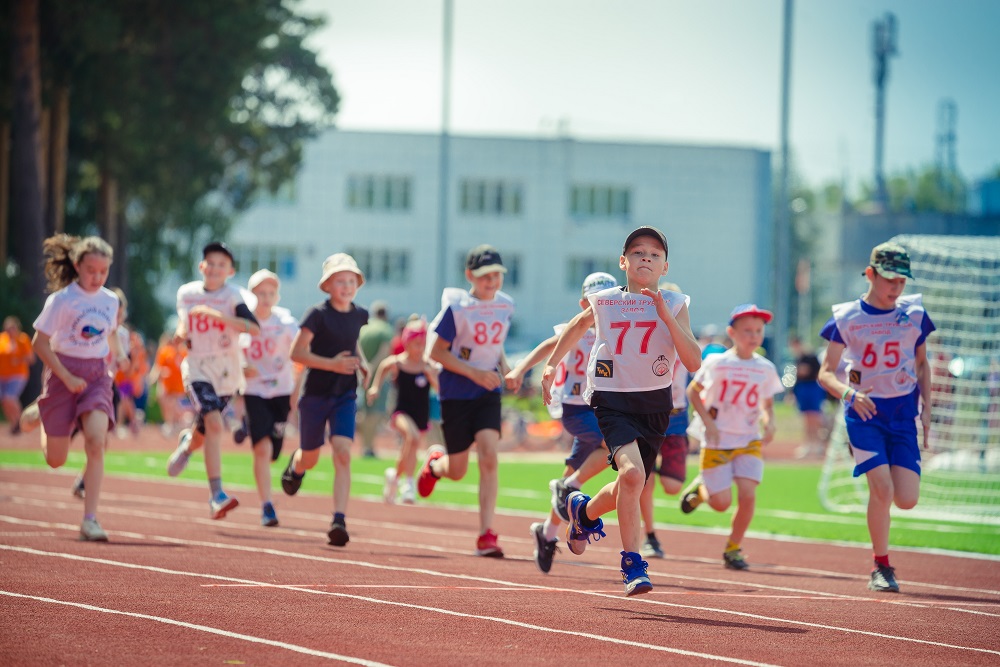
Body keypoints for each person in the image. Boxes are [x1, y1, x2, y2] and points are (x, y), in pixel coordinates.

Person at [540, 226, 701, 596]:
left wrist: (666, 315)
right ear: (623, 261)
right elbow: (577, 326)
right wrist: (551, 366)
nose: (646, 257)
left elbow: (691, 361)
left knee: (632, 482)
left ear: (665, 266)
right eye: (638, 252)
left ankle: (583, 513)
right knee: (632, 475)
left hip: (655, 403)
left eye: (654, 254)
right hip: (611, 398)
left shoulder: (676, 304)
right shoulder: (606, 300)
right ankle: (632, 563)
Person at [817, 242, 935, 593]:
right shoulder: (846, 318)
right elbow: (826, 373)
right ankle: (881, 566)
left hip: (902, 413)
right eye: (889, 281)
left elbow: (923, 363)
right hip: (864, 413)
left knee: (907, 498)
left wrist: (928, 405)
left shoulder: (914, 313)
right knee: (881, 489)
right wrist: (850, 393)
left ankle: (882, 562)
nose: (895, 289)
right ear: (870, 274)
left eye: (901, 282)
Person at [506, 271, 621, 573]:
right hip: (574, 408)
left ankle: (546, 533)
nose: (601, 306)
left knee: (571, 482)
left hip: (601, 409)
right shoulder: (579, 329)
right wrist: (520, 369)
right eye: (595, 301)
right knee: (611, 447)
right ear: (584, 302)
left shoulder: (619, 328)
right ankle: (569, 485)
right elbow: (549, 346)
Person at [20, 234, 127, 541]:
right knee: (56, 460)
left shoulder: (109, 301)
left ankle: (90, 519)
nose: (97, 277)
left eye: (103, 272)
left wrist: (119, 355)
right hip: (62, 373)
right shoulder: (62, 300)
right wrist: (66, 377)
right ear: (78, 265)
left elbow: (112, 333)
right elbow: (39, 343)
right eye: (91, 270)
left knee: (96, 441)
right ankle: (41, 412)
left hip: (96, 376)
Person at [417, 244, 516, 557]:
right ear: (470, 275)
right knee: (457, 470)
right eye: (485, 275)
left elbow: (494, 343)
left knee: (489, 456)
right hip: (457, 392)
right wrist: (473, 373)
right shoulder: (457, 308)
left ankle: (487, 533)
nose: (492, 281)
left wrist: (506, 367)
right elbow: (435, 352)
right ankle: (436, 465)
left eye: (497, 275)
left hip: (488, 391)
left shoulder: (505, 305)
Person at [679, 303, 784, 571]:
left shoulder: (766, 367)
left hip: (749, 440)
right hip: (717, 441)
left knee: (748, 495)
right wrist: (708, 423)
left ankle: (733, 548)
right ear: (732, 333)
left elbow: (767, 404)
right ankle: (703, 490)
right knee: (721, 504)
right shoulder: (718, 362)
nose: (754, 336)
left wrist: (769, 422)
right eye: (747, 330)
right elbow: (693, 392)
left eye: (758, 331)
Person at [165, 242, 260, 520]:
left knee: (207, 429)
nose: (216, 268)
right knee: (216, 422)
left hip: (227, 372)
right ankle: (216, 495)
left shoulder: (234, 296)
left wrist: (215, 315)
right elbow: (184, 321)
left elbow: (253, 328)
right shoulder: (188, 293)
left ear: (230, 271)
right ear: (202, 266)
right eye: (211, 263)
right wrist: (181, 333)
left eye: (222, 264)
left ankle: (188, 444)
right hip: (197, 368)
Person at [281, 253, 370, 546]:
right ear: (328, 285)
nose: (346, 286)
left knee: (343, 452)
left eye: (351, 281)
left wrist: (363, 361)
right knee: (311, 455)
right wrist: (332, 364)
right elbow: (297, 353)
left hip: (345, 393)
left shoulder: (359, 314)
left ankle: (339, 519)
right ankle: (296, 467)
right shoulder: (316, 315)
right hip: (316, 394)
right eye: (340, 281)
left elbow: (352, 340)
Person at [638, 281, 693, 560]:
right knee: (643, 481)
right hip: (648, 414)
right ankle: (649, 535)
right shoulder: (645, 336)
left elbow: (696, 377)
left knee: (672, 486)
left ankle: (651, 469)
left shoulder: (684, 337)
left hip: (677, 417)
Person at [242, 269, 300, 527]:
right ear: (251, 295)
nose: (265, 298)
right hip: (254, 390)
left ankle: (250, 428)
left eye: (271, 293)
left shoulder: (285, 322)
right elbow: (228, 348)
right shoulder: (243, 322)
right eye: (260, 293)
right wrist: (240, 365)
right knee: (262, 450)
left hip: (281, 390)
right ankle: (267, 505)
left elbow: (302, 346)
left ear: (277, 296)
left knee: (274, 452)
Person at [367, 318, 439, 504]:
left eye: (423, 345)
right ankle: (408, 484)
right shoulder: (398, 363)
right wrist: (375, 387)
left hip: (420, 413)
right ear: (407, 343)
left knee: (411, 447)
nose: (420, 349)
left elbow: (440, 390)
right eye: (416, 344)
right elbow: (383, 366)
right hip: (401, 411)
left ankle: (394, 476)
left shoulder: (427, 365)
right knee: (412, 438)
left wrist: (432, 377)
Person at [357, 301, 395, 458]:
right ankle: (369, 446)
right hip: (377, 375)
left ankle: (365, 445)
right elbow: (384, 353)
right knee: (376, 412)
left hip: (361, 374)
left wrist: (363, 369)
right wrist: (372, 369)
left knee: (364, 412)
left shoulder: (364, 328)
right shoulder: (385, 329)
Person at [789, 335, 827, 459]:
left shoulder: (810, 357)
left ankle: (818, 444)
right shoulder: (798, 359)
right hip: (803, 389)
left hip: (812, 389)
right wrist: (792, 393)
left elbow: (812, 372)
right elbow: (797, 376)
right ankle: (808, 444)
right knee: (806, 419)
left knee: (814, 418)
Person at [149, 331, 190, 437]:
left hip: (179, 385)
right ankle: (175, 423)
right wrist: (157, 375)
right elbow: (159, 366)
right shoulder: (165, 352)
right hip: (168, 384)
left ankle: (176, 423)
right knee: (164, 400)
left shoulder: (184, 352)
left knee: (173, 404)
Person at [0, 316, 35, 435]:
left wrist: (19, 359)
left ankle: (21, 421)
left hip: (18, 374)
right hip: (2, 375)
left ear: (17, 328)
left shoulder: (22, 339)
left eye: (13, 328)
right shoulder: (2, 339)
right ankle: (14, 423)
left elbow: (31, 358)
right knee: (4, 401)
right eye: (8, 329)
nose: (10, 331)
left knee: (9, 398)